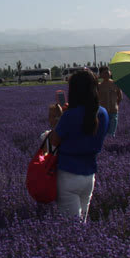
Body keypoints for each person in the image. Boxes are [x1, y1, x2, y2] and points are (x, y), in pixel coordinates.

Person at [49, 70, 109, 222]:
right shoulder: (103, 113)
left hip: (68, 175)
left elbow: (52, 144)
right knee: (82, 222)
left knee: (71, 227)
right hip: (89, 176)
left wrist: (56, 121)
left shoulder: (69, 116)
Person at [97, 66, 123, 137]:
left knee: (111, 133)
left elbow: (120, 96)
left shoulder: (116, 84)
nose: (107, 74)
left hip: (113, 112)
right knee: (103, 133)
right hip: (103, 112)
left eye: (108, 72)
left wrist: (116, 105)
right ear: (101, 74)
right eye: (104, 73)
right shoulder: (99, 86)